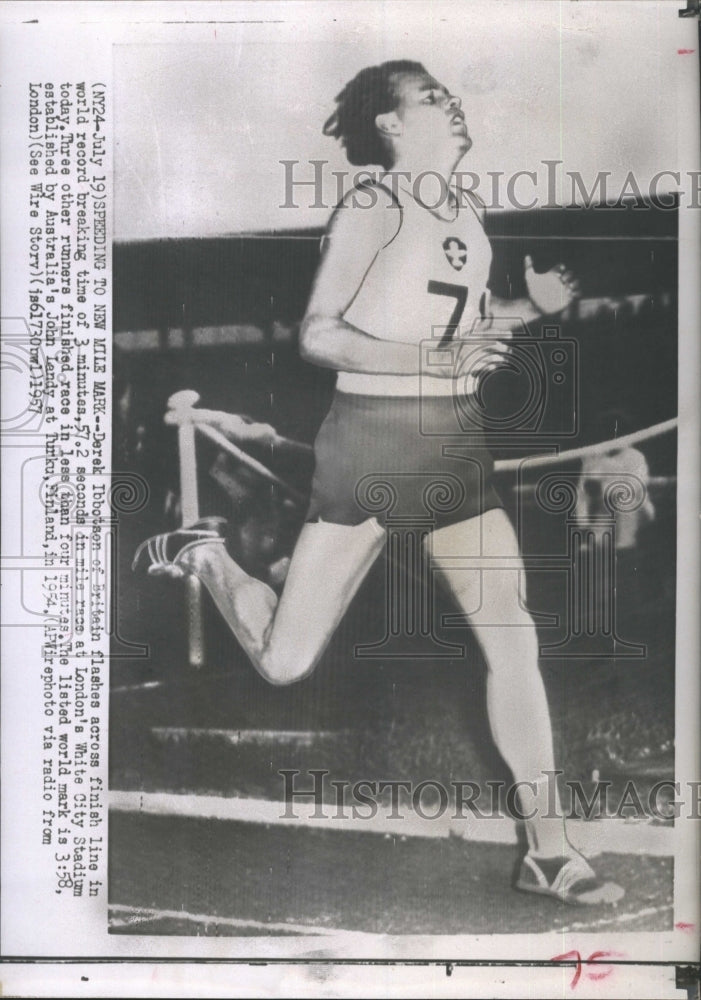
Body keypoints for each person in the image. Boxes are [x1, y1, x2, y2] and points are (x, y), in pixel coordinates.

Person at [134, 60, 623, 906]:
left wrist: (525, 311)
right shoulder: (371, 205)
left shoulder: (465, 214)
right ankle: (209, 555)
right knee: (285, 663)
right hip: (371, 445)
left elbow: (459, 329)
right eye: (431, 97)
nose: (453, 102)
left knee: (511, 636)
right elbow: (319, 335)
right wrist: (437, 360)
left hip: (453, 445)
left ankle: (547, 848)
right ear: (392, 125)